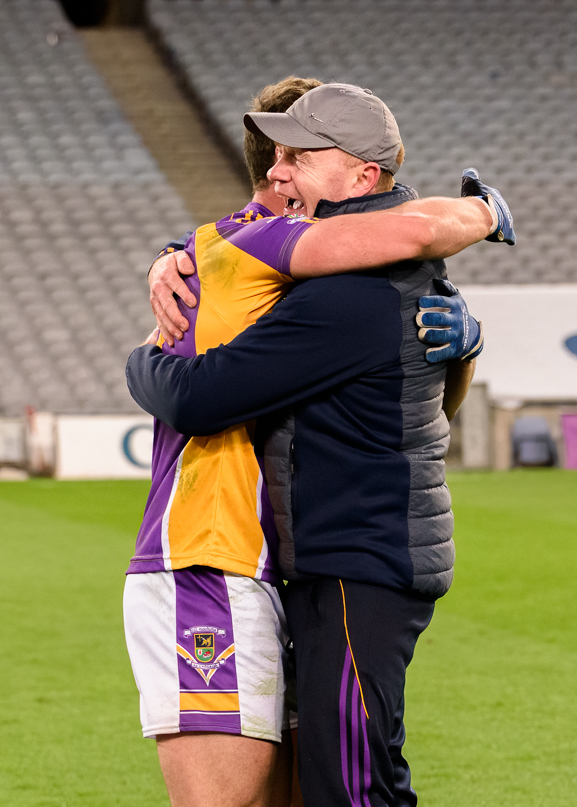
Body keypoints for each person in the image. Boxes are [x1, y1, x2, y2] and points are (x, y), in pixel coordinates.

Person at [127, 82, 514, 807]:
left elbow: (199, 398)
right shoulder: (351, 268)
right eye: (277, 157)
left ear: (363, 177)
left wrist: (144, 357)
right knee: (327, 777)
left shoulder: (352, 289)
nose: (281, 173)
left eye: (299, 157)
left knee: (352, 785)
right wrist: (170, 256)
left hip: (353, 556)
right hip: (344, 555)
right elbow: (433, 402)